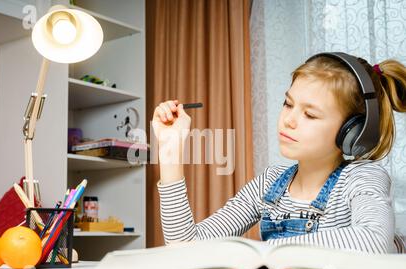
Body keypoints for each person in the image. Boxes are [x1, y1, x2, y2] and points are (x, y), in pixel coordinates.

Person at [151, 52, 406, 254]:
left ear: (352, 131)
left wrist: (260, 251)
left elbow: (374, 241)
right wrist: (170, 149)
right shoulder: (270, 182)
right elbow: (184, 246)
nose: (289, 120)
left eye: (310, 114)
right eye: (288, 104)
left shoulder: (363, 177)